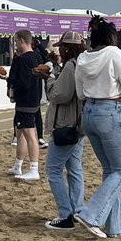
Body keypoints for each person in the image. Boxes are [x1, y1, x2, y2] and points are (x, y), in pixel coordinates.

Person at [72, 17, 121, 240]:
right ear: (112, 37)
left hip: (89, 113)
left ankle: (115, 226)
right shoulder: (114, 54)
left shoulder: (83, 58)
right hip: (109, 111)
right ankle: (91, 214)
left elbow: (80, 93)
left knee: (111, 171)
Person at [38, 32, 86, 230]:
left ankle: (65, 215)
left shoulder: (70, 65)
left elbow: (60, 94)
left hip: (66, 124)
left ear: (68, 47)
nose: (60, 50)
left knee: (53, 169)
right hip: (78, 124)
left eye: (62, 47)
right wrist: (56, 69)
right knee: (74, 170)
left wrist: (48, 80)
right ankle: (77, 210)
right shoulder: (80, 63)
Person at [5, 30, 43, 181]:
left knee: (29, 134)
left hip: (26, 101)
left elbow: (24, 83)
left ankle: (34, 168)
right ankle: (18, 165)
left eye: (16, 42)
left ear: (22, 41)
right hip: (34, 99)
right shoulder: (37, 56)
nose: (16, 45)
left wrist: (8, 80)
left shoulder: (25, 59)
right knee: (20, 132)